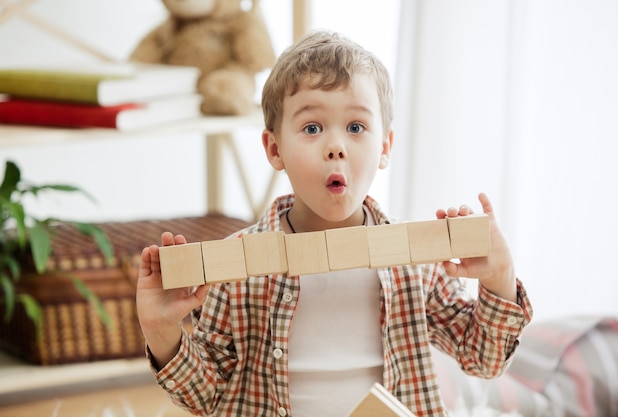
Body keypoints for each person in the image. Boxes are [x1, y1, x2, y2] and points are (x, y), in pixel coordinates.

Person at [136, 30, 533, 417]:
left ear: (384, 147)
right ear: (275, 149)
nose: (336, 146)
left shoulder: (417, 262)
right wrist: (161, 330)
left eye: (356, 127)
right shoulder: (235, 268)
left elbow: (484, 360)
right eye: (312, 128)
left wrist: (499, 279)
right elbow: (204, 397)